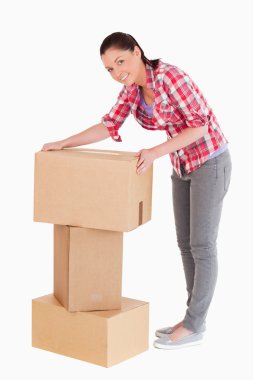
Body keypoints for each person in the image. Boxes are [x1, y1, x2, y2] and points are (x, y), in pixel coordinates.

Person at [41, 32, 232, 350]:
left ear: (137, 51)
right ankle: (191, 319)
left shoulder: (172, 77)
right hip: (182, 166)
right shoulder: (132, 90)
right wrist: (64, 142)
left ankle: (196, 324)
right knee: (185, 245)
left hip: (210, 162)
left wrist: (155, 152)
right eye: (109, 69)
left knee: (202, 245)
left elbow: (200, 125)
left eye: (120, 62)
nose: (117, 73)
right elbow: (109, 124)